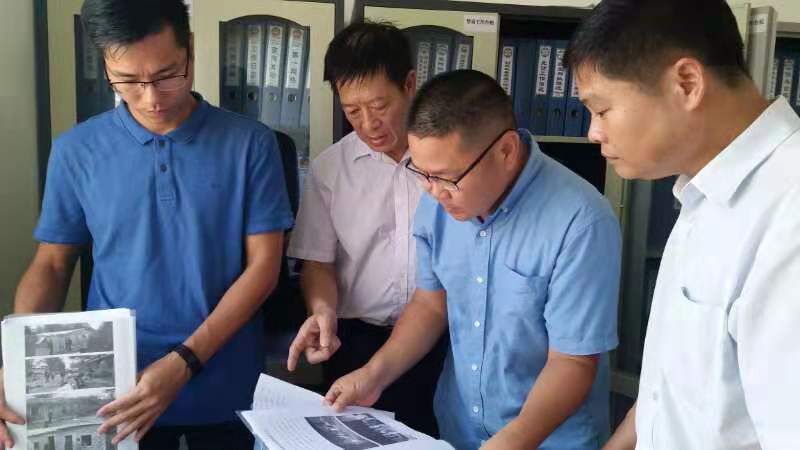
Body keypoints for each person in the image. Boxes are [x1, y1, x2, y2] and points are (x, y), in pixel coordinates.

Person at [0, 0, 292, 449]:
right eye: (128, 81)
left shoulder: (250, 143)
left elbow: (264, 268)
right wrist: (19, 361)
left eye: (167, 75)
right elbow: (53, 265)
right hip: (114, 392)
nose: (151, 98)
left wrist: (184, 362)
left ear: (189, 48)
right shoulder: (76, 151)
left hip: (227, 382)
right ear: (105, 64)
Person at [324, 69, 621, 450]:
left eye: (447, 177)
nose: (434, 192)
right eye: (422, 174)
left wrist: (510, 441)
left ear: (506, 151)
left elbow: (574, 362)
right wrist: (373, 375)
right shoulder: (437, 201)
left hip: (549, 439)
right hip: (459, 428)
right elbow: (431, 304)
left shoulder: (580, 221)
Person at [564, 0, 800, 448]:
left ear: (687, 83)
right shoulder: (701, 193)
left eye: (602, 109)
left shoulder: (788, 214)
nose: (593, 132)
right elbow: (669, 392)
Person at [285, 21, 446, 436]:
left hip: (442, 344)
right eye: (352, 111)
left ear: (409, 84)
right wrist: (323, 310)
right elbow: (318, 261)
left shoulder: (450, 164)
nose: (368, 123)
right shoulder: (330, 169)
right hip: (355, 343)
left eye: (378, 105)